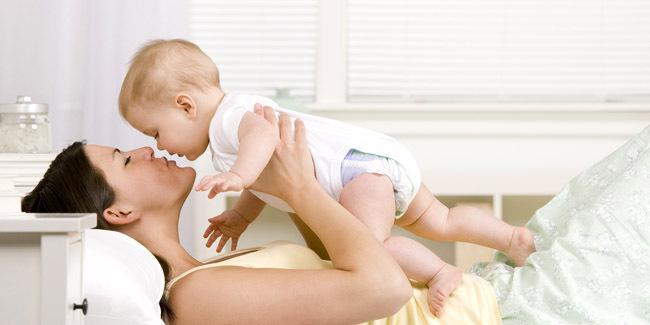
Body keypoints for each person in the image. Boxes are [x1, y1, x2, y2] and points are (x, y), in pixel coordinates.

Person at [117, 39, 534, 315]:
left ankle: (439, 271)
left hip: (354, 174)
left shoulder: (229, 121)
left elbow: (262, 139)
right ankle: (510, 237)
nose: (159, 146)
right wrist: (243, 213)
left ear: (186, 105)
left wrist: (241, 176)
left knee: (373, 247)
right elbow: (270, 176)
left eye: (155, 132)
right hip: (369, 161)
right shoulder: (230, 134)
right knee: (440, 220)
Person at [21, 108, 501, 324]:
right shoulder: (196, 298)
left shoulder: (207, 275)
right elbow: (383, 289)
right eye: (125, 159)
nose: (146, 148)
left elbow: (342, 269)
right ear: (119, 211)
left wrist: (294, 189)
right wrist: (303, 190)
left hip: (464, 300)